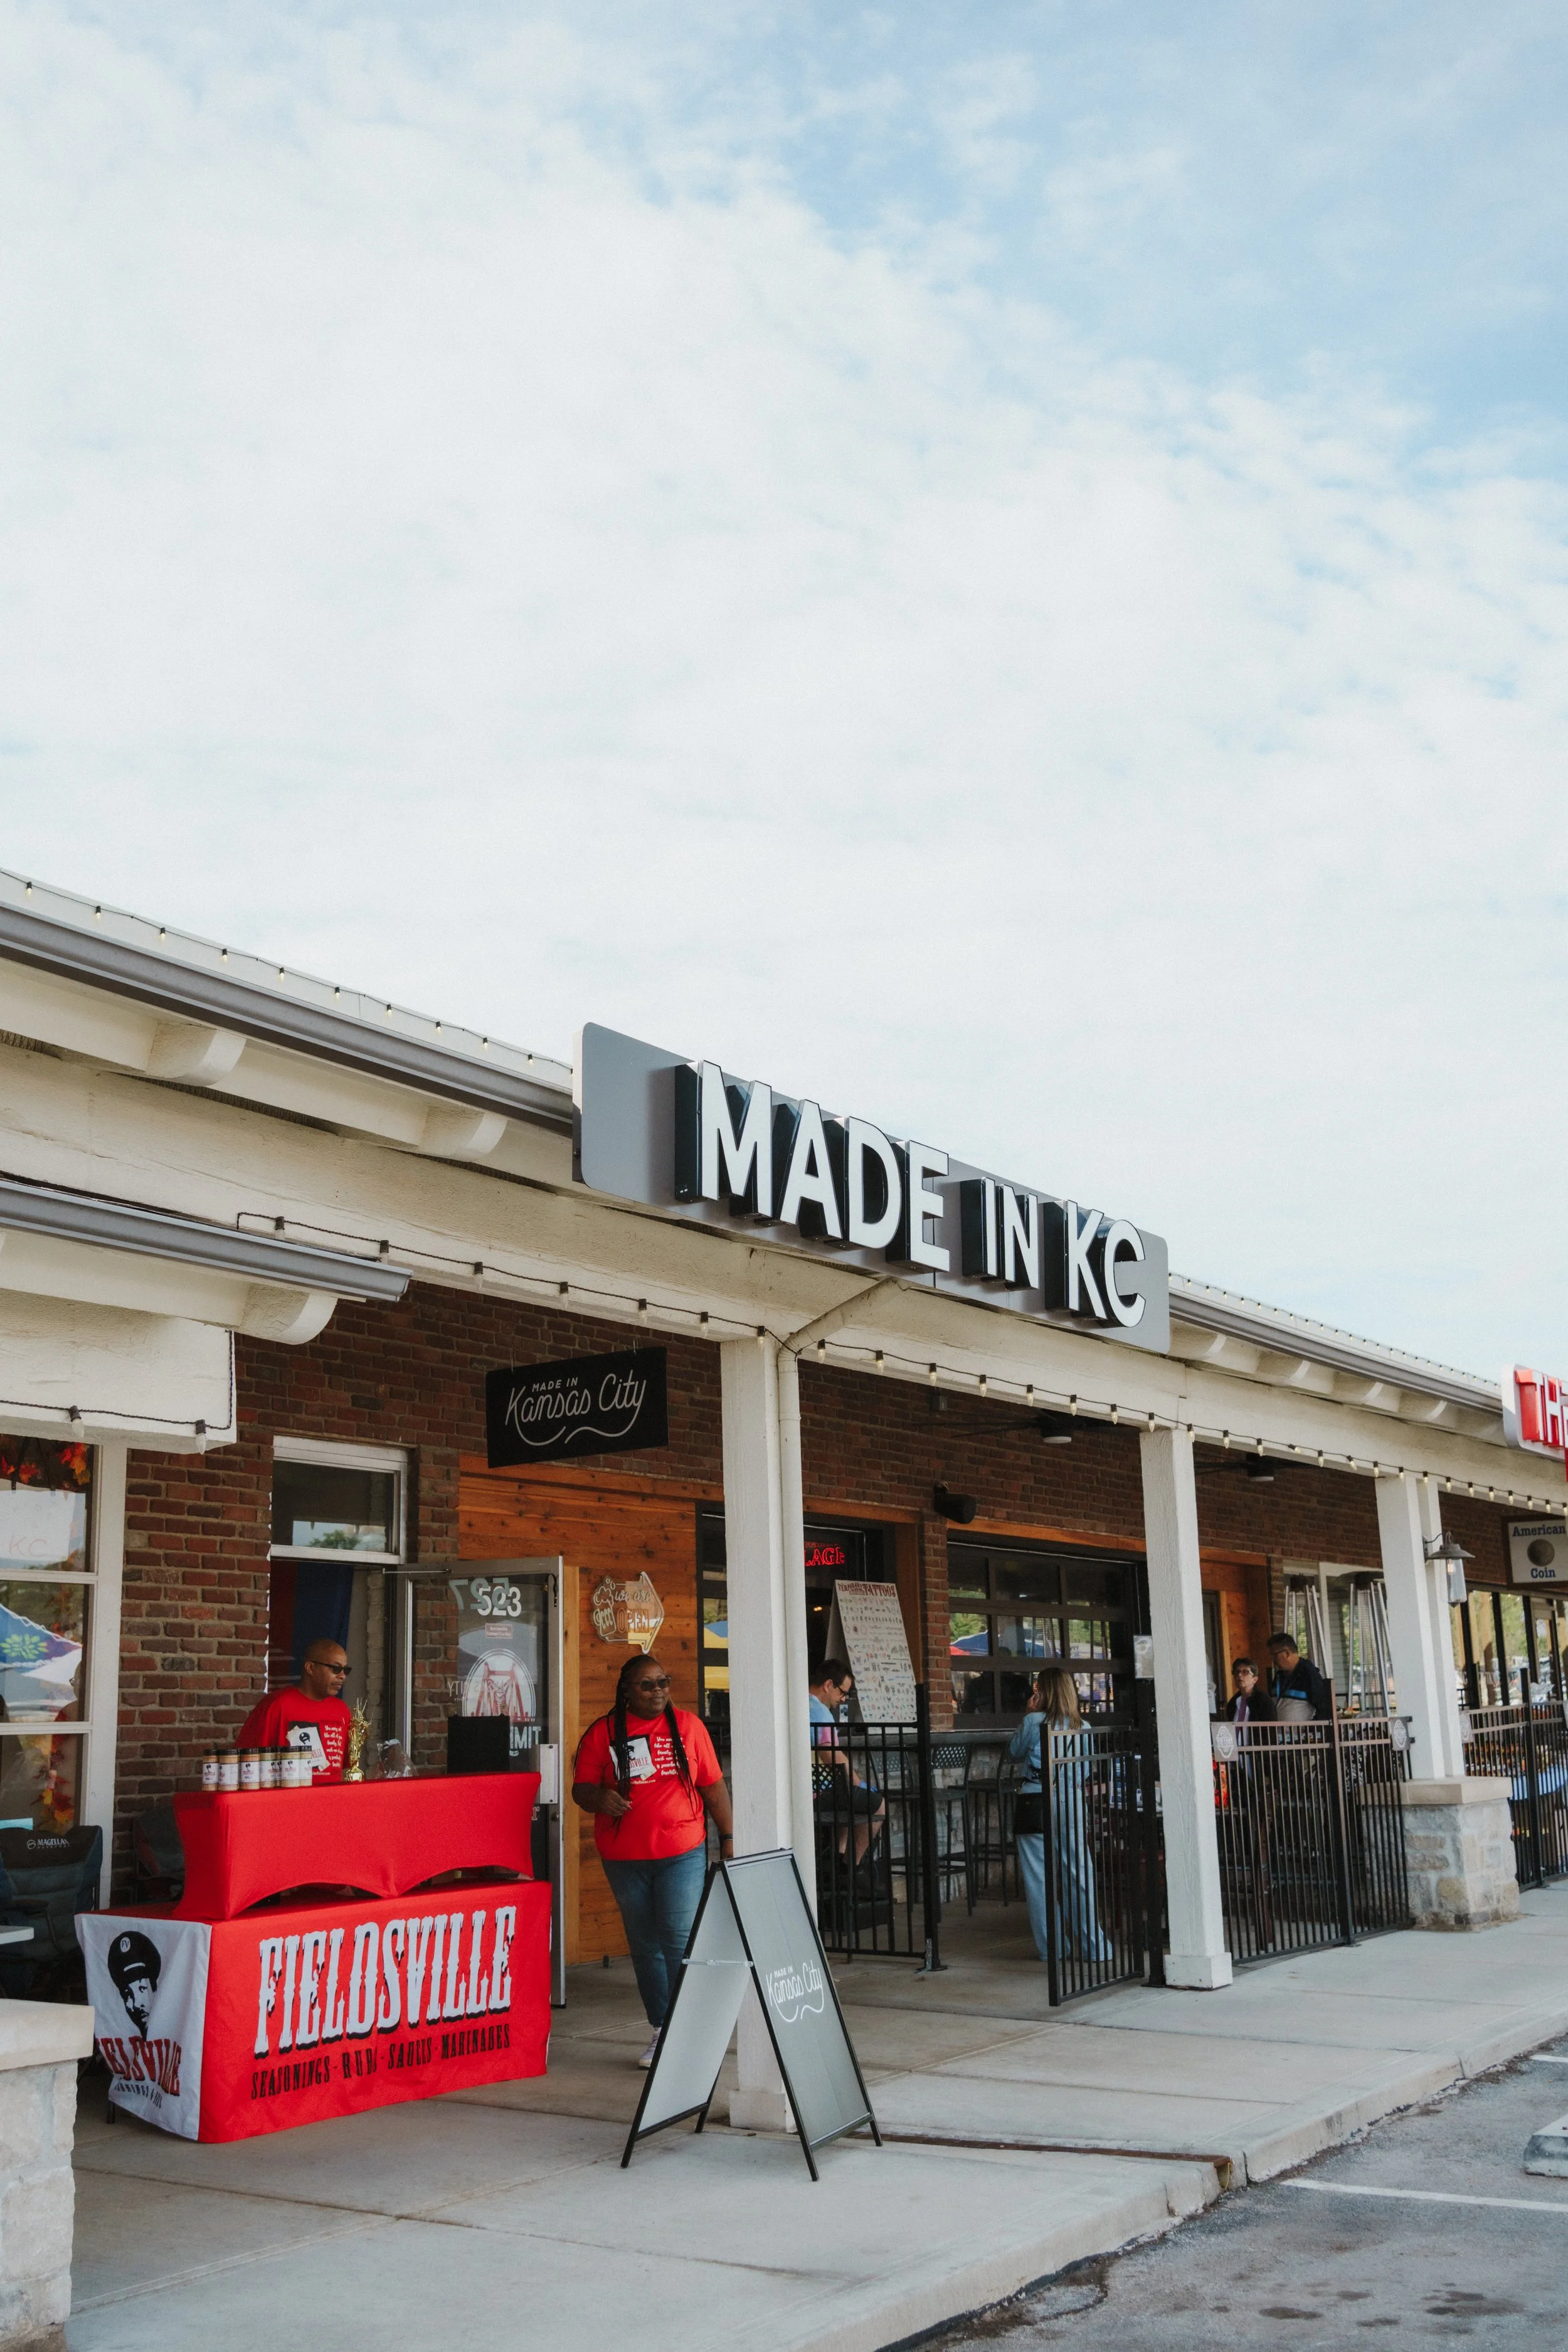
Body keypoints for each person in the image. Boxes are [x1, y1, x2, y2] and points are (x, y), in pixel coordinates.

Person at [571, 1654, 734, 2067]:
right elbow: (581, 1788)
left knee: (678, 1936)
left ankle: (691, 2030)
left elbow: (713, 1787)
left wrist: (729, 1836)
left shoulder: (689, 1727)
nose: (659, 1690)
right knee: (645, 1946)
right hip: (624, 1856)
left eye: (664, 1682)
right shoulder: (603, 1732)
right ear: (627, 1689)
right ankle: (663, 2030)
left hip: (682, 1850)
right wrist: (599, 1798)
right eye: (647, 1685)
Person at [1008, 1666, 1111, 1969]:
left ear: (1044, 1692)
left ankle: (1053, 1947)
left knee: (1039, 1878)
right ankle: (1095, 1946)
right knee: (1079, 1872)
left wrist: (1029, 1713)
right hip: (1071, 1799)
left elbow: (1014, 1753)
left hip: (1034, 1797)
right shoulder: (1084, 1726)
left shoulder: (1032, 1720)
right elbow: (1084, 1771)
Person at [236, 1639, 352, 1781]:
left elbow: (343, 1764)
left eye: (345, 1670)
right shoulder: (277, 1704)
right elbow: (246, 1758)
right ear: (310, 1668)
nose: (342, 1676)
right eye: (336, 1669)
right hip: (287, 1799)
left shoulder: (341, 1710)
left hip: (329, 1800)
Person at [808, 1660, 886, 1868]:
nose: (842, 1700)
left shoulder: (798, 1703)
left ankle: (838, 1856)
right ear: (828, 1685)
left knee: (848, 1797)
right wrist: (856, 1782)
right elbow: (832, 1756)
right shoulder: (820, 1712)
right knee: (878, 1804)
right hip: (818, 1794)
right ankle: (852, 1866)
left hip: (809, 1790)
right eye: (842, 1693)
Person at [1267, 1634, 1333, 1720]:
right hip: (1278, 1732)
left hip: (1300, 1733)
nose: (1273, 1660)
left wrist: (1309, 1729)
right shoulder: (1279, 1675)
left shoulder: (1309, 1673)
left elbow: (1324, 1708)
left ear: (1287, 1653)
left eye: (1275, 1655)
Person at [1225, 1658, 1277, 1725]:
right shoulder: (1233, 1703)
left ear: (1255, 1679)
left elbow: (1271, 1731)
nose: (1239, 1675)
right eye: (1237, 1672)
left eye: (1245, 1672)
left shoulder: (1264, 1701)